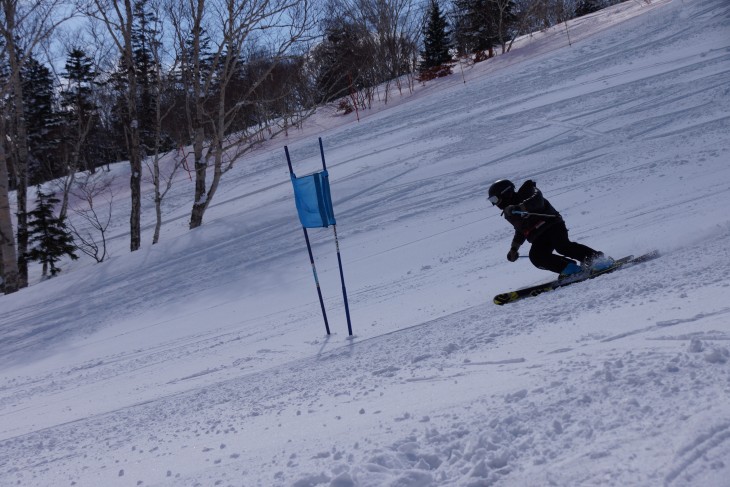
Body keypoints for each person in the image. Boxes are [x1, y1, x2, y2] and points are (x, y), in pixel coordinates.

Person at [487, 179, 613, 279]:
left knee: (562, 246)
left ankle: (598, 260)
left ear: (506, 193)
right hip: (538, 236)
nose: (495, 204)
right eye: (492, 201)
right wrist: (514, 249)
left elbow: (537, 201)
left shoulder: (528, 191)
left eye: (495, 199)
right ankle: (571, 270)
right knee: (536, 256)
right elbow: (520, 230)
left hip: (552, 225)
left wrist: (519, 207)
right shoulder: (509, 213)